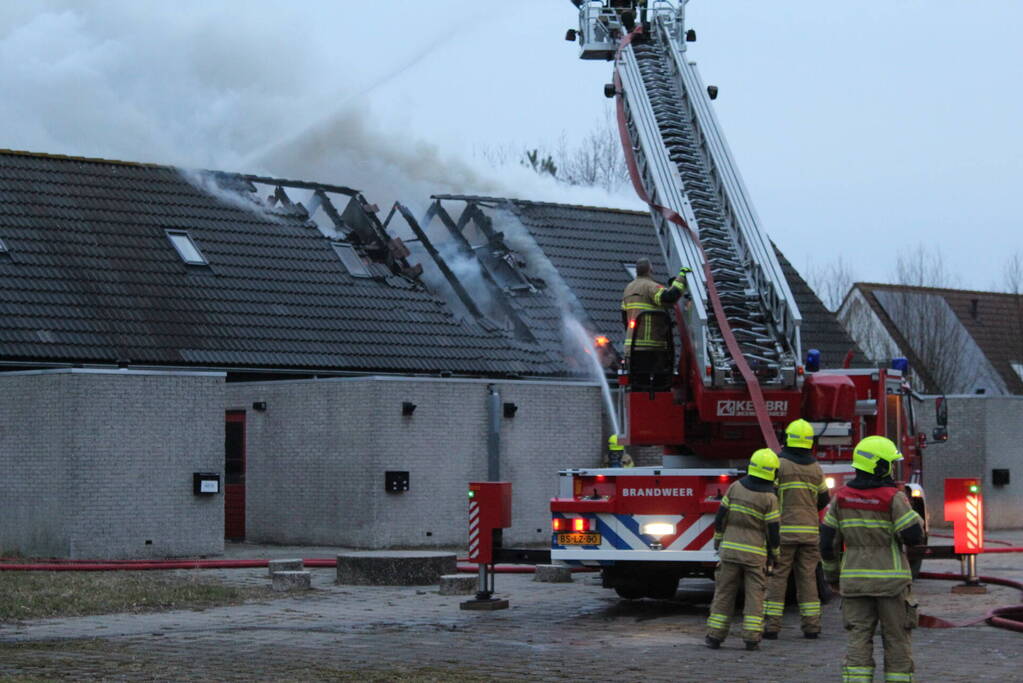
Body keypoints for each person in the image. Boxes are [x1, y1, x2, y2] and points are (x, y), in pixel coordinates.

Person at [820, 436, 924, 682]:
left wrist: (832, 576)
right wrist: (913, 517)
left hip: (855, 582)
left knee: (858, 637)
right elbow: (912, 537)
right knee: (897, 638)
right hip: (892, 584)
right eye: (890, 463)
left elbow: (826, 543)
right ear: (880, 466)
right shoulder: (892, 497)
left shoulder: (841, 498)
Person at [705, 448, 781, 651]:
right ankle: (751, 638)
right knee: (755, 596)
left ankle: (714, 636)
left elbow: (720, 518)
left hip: (730, 551)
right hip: (755, 556)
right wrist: (775, 554)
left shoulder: (735, 487)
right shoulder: (770, 498)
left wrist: (718, 542)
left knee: (724, 593)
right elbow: (773, 530)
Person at [763, 418, 830, 639]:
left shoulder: (779, 465)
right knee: (808, 578)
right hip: (810, 533)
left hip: (784, 533)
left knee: (778, 577)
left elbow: (769, 496)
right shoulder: (816, 469)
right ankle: (812, 626)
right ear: (810, 442)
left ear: (787, 440)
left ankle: (771, 627)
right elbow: (823, 499)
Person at [620, 258, 689, 365]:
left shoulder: (628, 289)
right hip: (653, 348)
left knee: (639, 381)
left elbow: (625, 319)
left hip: (632, 348)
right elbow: (669, 297)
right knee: (659, 381)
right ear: (650, 270)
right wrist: (681, 278)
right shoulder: (650, 287)